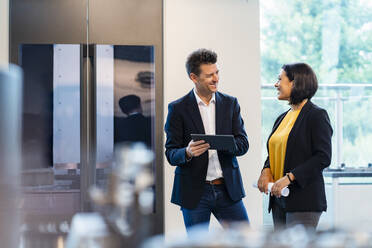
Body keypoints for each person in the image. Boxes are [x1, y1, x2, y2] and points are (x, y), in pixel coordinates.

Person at [164, 49, 249, 232]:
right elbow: (170, 153)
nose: (216, 79)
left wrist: (225, 144)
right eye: (209, 75)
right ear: (194, 77)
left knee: (246, 241)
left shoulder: (230, 104)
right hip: (194, 193)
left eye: (217, 73)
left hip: (228, 189)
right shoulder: (177, 109)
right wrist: (187, 152)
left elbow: (243, 144)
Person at [257, 63, 333, 230]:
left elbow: (323, 157)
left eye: (279, 80)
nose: (276, 84)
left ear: (295, 83)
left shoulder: (316, 115)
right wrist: (266, 169)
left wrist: (290, 177)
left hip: (304, 199)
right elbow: (275, 152)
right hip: (278, 199)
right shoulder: (282, 118)